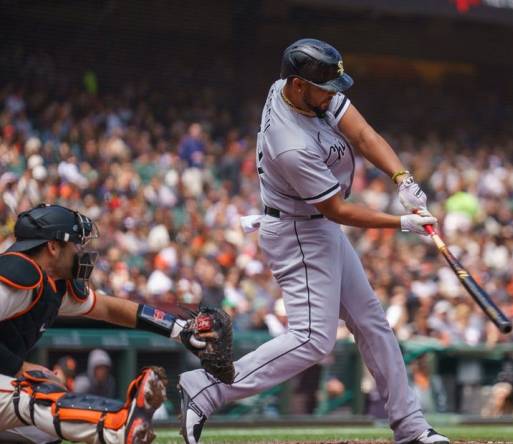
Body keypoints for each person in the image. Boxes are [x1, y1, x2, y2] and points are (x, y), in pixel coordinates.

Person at [178, 38, 449, 444]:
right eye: (326, 88)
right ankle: (209, 388)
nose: (334, 95)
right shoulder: (290, 144)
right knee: (311, 339)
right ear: (298, 84)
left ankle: (410, 427)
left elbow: (364, 134)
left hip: (314, 227)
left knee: (372, 323)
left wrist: (402, 178)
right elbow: (336, 210)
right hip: (297, 231)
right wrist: (401, 223)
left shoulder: (298, 92)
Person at [0, 203, 215, 444]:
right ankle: (119, 426)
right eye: (74, 243)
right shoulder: (18, 272)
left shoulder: (54, 286)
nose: (79, 251)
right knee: (34, 395)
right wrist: (21, 368)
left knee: (44, 432)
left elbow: (109, 308)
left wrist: (180, 329)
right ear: (52, 246)